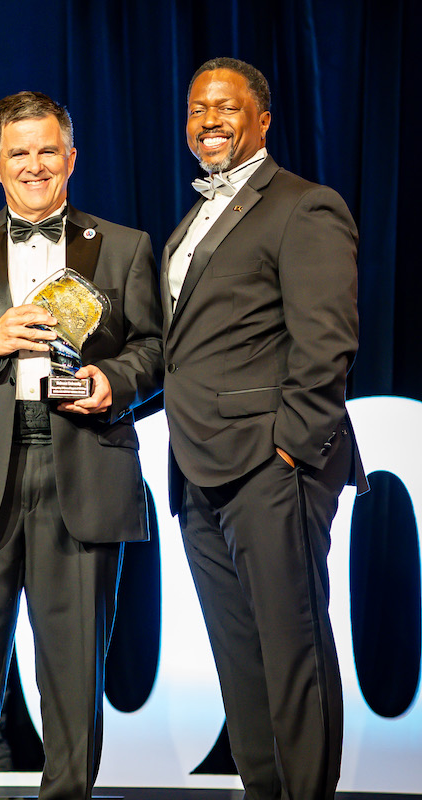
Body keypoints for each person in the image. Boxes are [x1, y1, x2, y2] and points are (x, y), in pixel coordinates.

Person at [0, 91, 162, 800]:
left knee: (74, 682)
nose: (34, 165)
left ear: (71, 158)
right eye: (19, 153)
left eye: (48, 150)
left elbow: (155, 348)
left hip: (82, 467)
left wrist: (114, 379)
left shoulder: (125, 246)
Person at [161, 58, 368, 799]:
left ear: (263, 121)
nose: (208, 120)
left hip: (271, 468)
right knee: (240, 661)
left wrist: (290, 450)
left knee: (294, 656)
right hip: (198, 468)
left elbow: (326, 341)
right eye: (196, 109)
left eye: (225, 106)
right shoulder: (190, 221)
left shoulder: (303, 206)